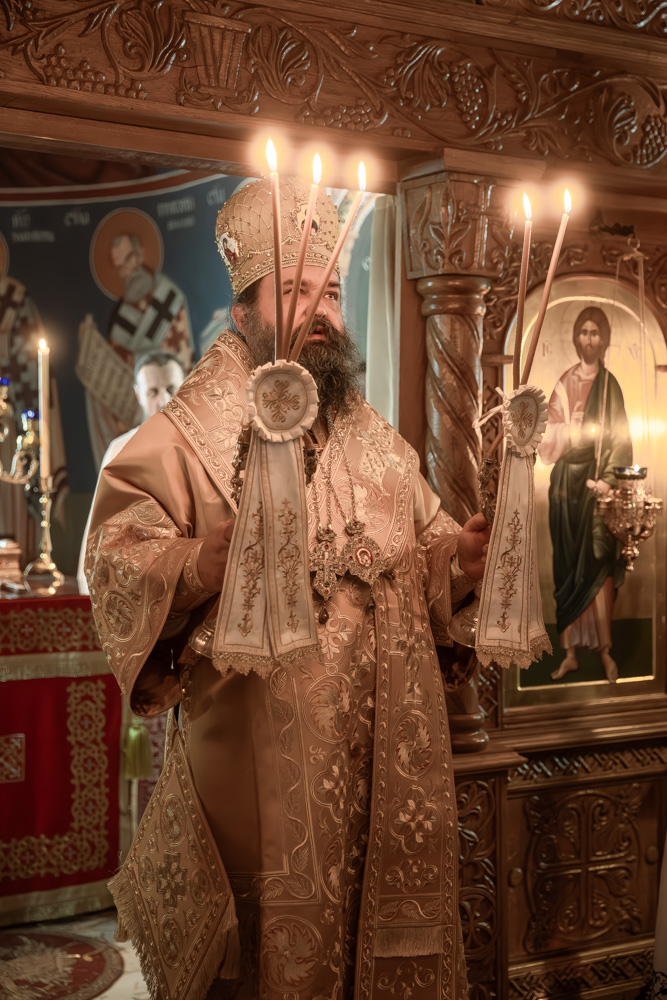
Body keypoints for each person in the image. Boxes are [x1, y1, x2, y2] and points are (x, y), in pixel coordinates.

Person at [85, 176, 491, 1000]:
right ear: (243, 312)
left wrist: (462, 563)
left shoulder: (373, 441)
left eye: (332, 291)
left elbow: (422, 552)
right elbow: (115, 559)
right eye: (298, 290)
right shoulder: (185, 437)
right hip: (255, 788)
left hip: (381, 776)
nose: (322, 311)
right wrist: (197, 563)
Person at [538, 306, 632, 683]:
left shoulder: (610, 386)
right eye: (584, 332)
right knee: (567, 568)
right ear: (576, 338)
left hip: (597, 490)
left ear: (603, 339)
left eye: (595, 333)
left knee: (599, 562)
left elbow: (621, 438)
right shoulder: (565, 382)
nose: (589, 339)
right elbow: (548, 432)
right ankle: (570, 653)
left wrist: (608, 479)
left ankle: (605, 650)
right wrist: (570, 432)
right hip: (565, 488)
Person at [76, 349, 185, 593]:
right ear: (138, 394)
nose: (164, 399)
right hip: (136, 579)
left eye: (171, 388)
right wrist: (86, 584)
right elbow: (98, 526)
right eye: (153, 392)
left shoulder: (202, 444)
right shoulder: (120, 449)